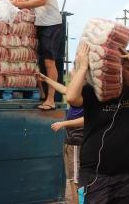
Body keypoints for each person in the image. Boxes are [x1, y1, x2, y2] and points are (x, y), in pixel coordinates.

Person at [66, 43, 129, 203]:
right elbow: (71, 97)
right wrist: (83, 67)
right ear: (117, 69)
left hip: (128, 176)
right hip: (94, 175)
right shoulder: (94, 92)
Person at [15, 0, 63, 110]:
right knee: (38, 60)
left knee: (49, 62)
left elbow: (41, 0)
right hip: (40, 24)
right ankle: (42, 93)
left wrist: (19, 5)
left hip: (51, 24)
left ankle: (51, 99)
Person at [37, 72, 84, 204]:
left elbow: (88, 119)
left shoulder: (85, 93)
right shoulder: (77, 91)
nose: (71, 72)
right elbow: (64, 89)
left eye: (75, 68)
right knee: (72, 178)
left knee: (75, 179)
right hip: (71, 140)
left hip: (76, 141)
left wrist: (64, 123)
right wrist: (46, 79)